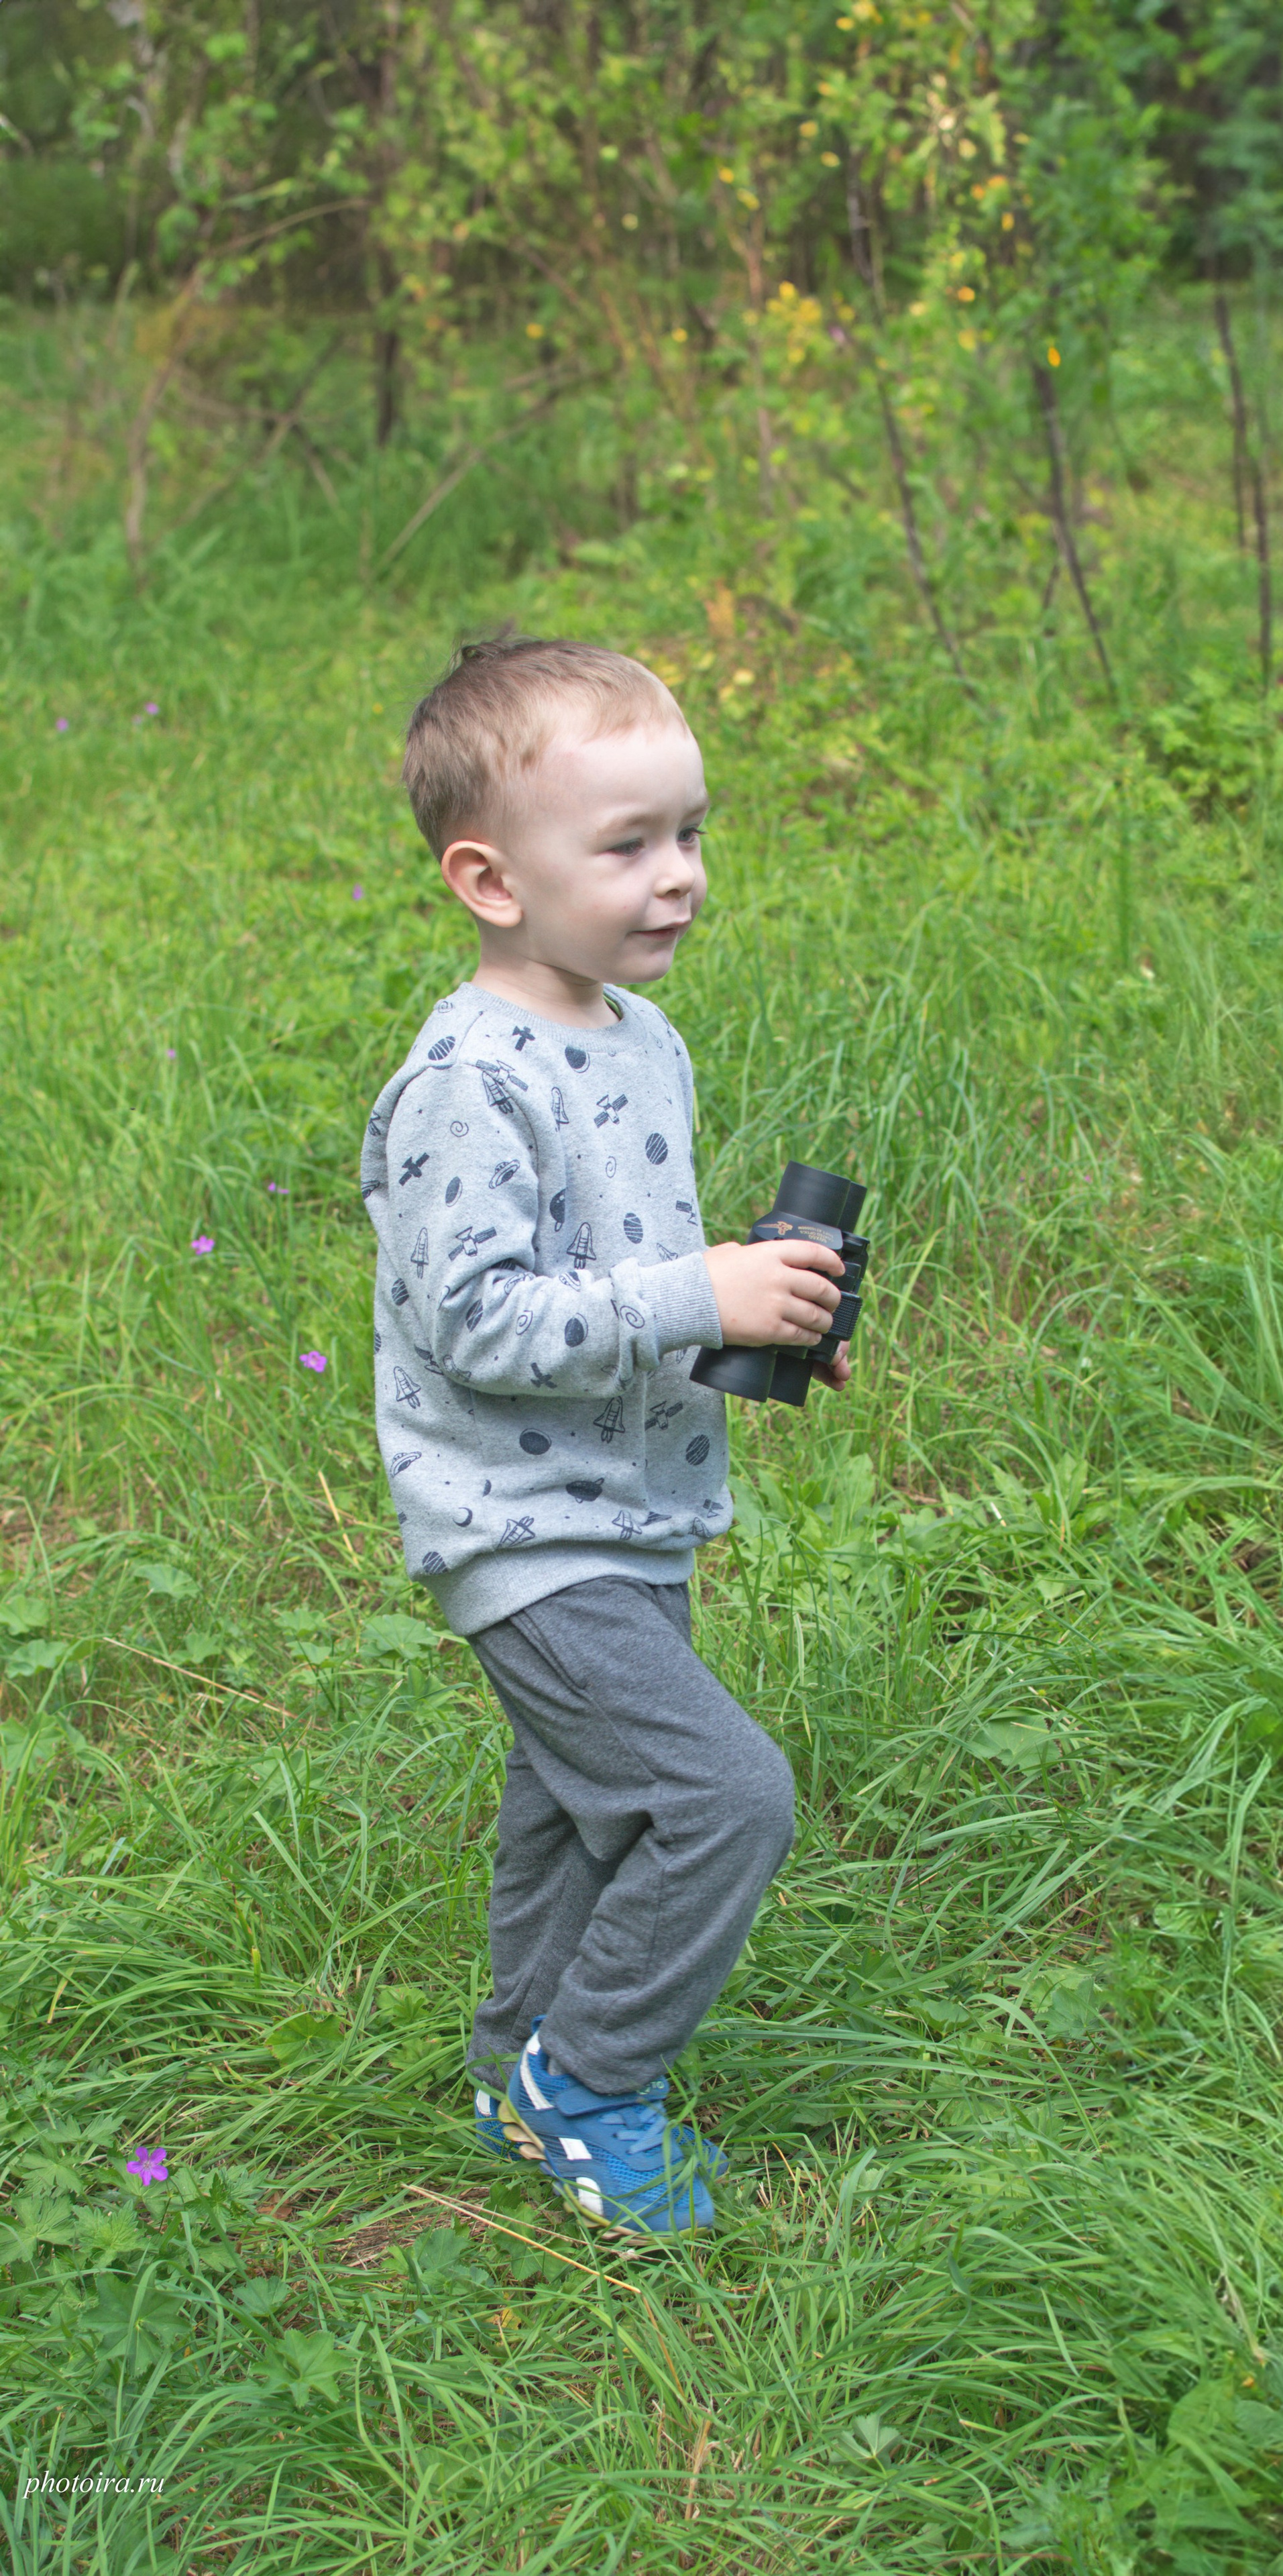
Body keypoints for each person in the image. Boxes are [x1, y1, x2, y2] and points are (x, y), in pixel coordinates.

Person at [360, 633, 850, 2235]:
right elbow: (478, 1321)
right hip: (521, 1529)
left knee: (580, 1806)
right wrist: (682, 1291)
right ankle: (593, 2083)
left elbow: (623, 1278)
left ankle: (519, 2068)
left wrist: (739, 1314)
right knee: (724, 1798)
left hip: (632, 1503)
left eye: (691, 832)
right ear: (489, 881)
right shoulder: (467, 1082)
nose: (680, 876)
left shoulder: (637, 1041)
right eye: (627, 844)